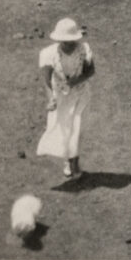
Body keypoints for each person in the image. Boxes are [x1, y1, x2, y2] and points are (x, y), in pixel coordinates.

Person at [37, 18, 95, 179]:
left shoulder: (85, 49)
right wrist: (51, 99)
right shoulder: (48, 54)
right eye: (65, 41)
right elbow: (47, 81)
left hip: (81, 95)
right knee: (64, 131)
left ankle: (74, 163)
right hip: (61, 98)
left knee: (77, 129)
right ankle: (68, 162)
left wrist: (76, 81)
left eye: (71, 41)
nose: (69, 44)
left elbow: (90, 71)